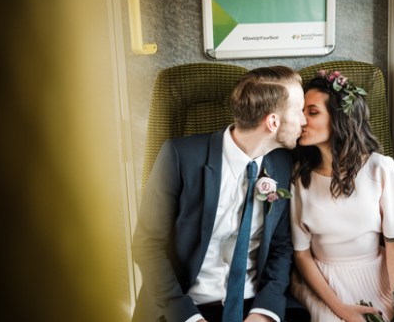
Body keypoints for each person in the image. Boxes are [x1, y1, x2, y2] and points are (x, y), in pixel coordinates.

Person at [132, 66, 310, 322]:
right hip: (186, 306)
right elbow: (147, 245)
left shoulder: (282, 164)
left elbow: (281, 248)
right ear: (273, 122)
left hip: (254, 304)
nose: (304, 121)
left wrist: (265, 311)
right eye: (299, 111)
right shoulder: (180, 157)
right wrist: (188, 316)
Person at [290, 70, 394, 322]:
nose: (301, 120)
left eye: (312, 112)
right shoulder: (299, 178)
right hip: (324, 282)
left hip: (381, 275)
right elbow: (301, 254)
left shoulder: (380, 168)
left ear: (339, 119)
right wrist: (340, 308)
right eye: (302, 112)